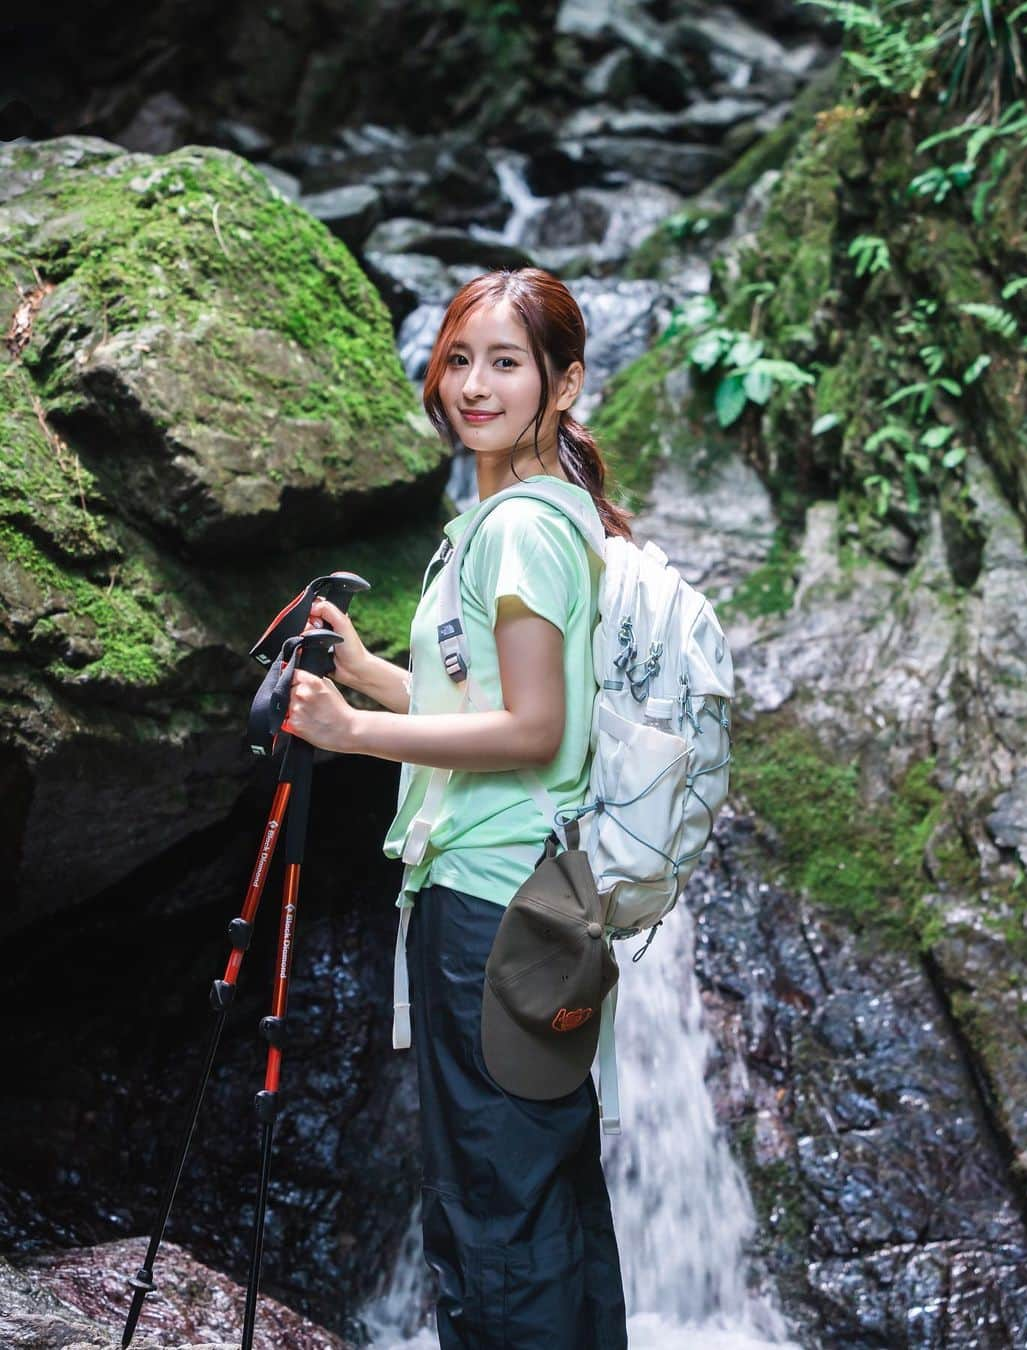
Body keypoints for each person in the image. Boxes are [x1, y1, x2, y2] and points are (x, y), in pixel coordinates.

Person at [283, 267, 631, 1348]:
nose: (473, 385)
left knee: (495, 1212)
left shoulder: (518, 529)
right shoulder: (541, 515)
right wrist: (371, 673)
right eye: (459, 358)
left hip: (490, 911)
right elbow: (491, 705)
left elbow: (533, 730)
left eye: (507, 362)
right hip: (537, 905)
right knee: (548, 1198)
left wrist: (352, 733)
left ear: (564, 385)